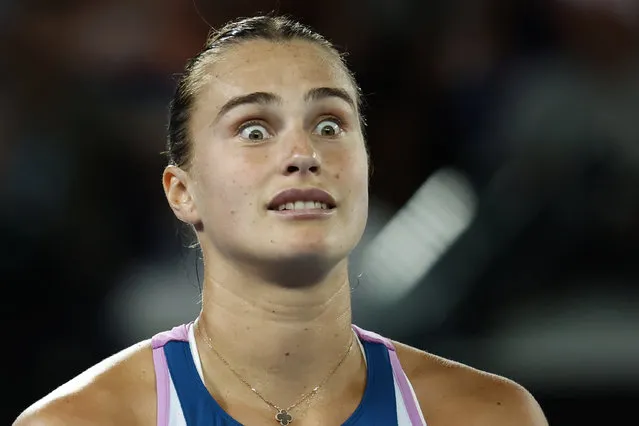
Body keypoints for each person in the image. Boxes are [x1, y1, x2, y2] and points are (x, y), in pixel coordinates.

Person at [14, 15, 548, 426]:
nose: (302, 153)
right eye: (253, 129)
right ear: (182, 192)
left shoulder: (490, 415)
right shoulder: (82, 420)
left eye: (330, 124)